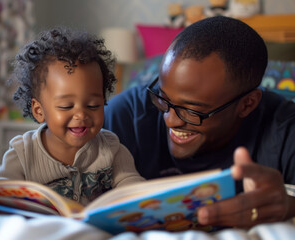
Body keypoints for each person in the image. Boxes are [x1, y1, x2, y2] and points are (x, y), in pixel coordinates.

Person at [104, 16, 295, 228]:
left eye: (191, 110)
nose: (170, 120)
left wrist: (289, 206)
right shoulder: (126, 115)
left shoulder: (286, 131)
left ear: (247, 104)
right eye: (163, 97)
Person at [0, 27, 144, 206]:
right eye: (66, 106)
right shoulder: (22, 155)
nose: (81, 114)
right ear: (38, 110)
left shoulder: (112, 148)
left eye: (93, 105)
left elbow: (132, 185)